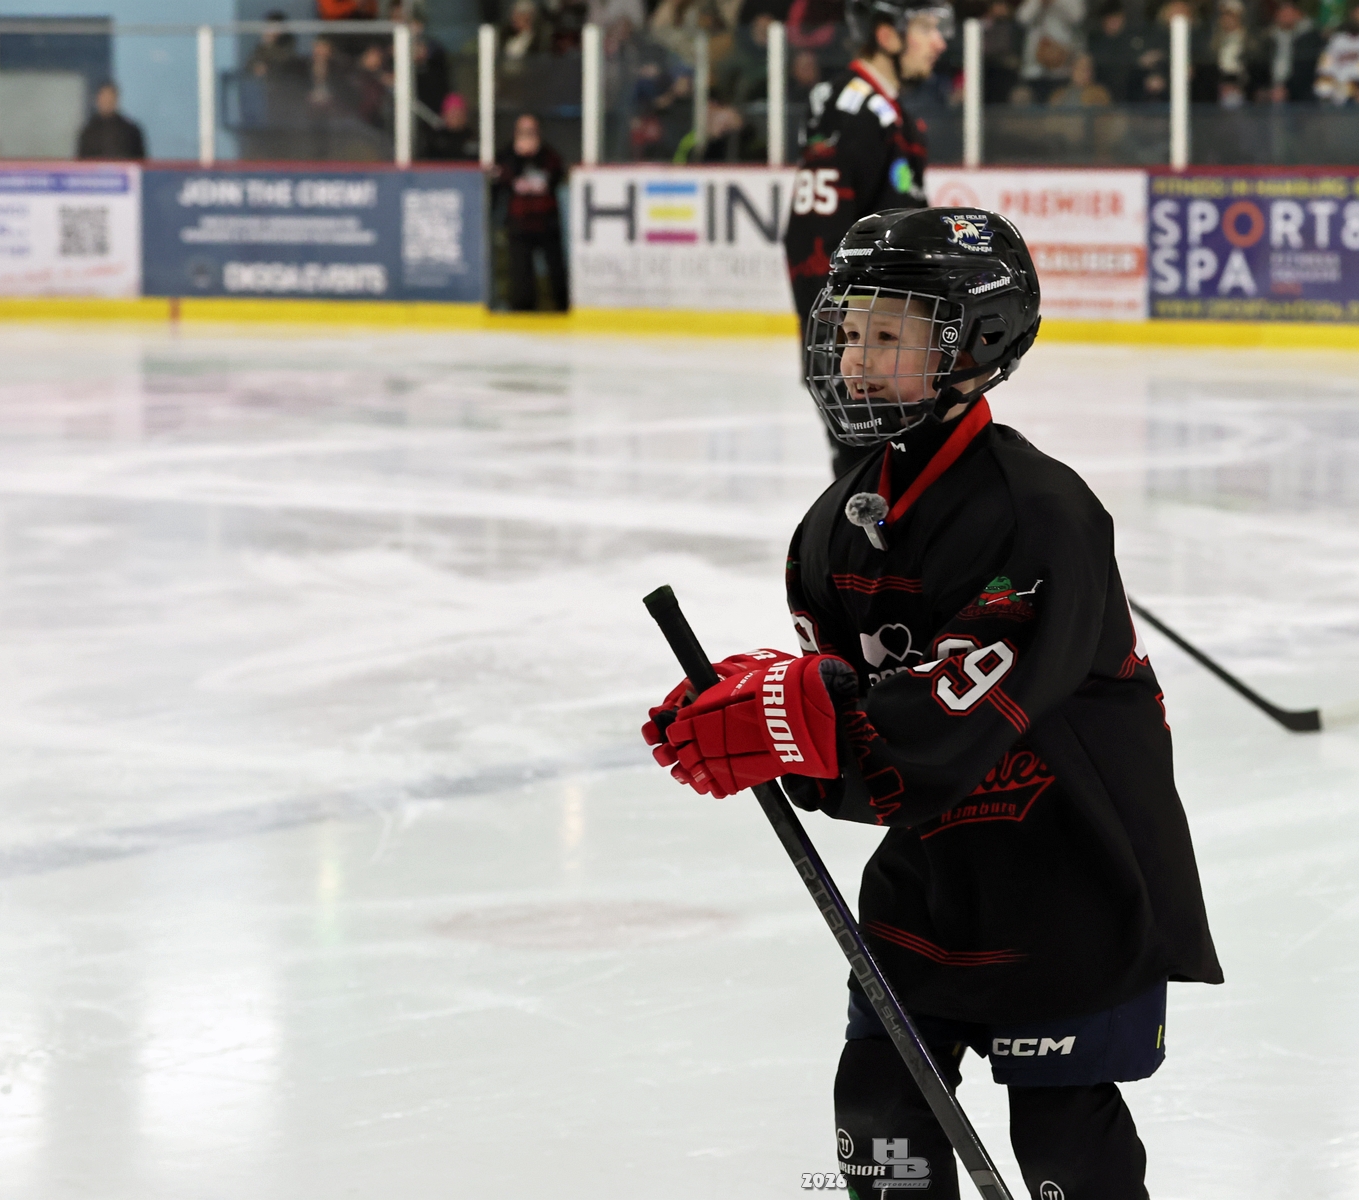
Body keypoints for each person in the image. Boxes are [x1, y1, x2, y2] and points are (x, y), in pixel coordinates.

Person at [643, 206, 1223, 1200]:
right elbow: (870, 766)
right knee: (878, 1121)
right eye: (850, 331)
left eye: (890, 335)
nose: (857, 360)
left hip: (1070, 877)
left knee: (1063, 1143)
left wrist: (802, 720)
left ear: (975, 342)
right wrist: (780, 716)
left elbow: (939, 733)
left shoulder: (1044, 515)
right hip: (936, 877)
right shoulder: (831, 531)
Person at [781, 0, 951, 478]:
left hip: (890, 346)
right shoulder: (850, 108)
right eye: (926, 28)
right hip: (866, 352)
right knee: (870, 482)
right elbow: (812, 238)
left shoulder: (890, 114)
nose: (939, 42)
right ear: (887, 34)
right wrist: (837, 345)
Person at [491, 113, 568, 312]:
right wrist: (518, 157)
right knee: (520, 273)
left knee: (557, 270)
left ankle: (562, 306)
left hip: (546, 221)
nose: (527, 135)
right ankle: (522, 310)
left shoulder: (548, 154)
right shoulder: (507, 155)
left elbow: (557, 173)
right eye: (523, 131)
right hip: (520, 222)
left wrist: (536, 157)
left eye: (531, 131)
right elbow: (501, 177)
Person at [76, 82, 147, 160]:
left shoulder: (131, 131)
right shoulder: (88, 132)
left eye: (110, 97)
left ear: (116, 99)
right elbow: (82, 162)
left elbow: (140, 161)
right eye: (104, 97)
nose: (107, 101)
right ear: (97, 99)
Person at [425, 93, 480, 159]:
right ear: (444, 115)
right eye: (452, 113)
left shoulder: (473, 139)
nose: (455, 118)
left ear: (465, 116)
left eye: (458, 113)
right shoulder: (436, 140)